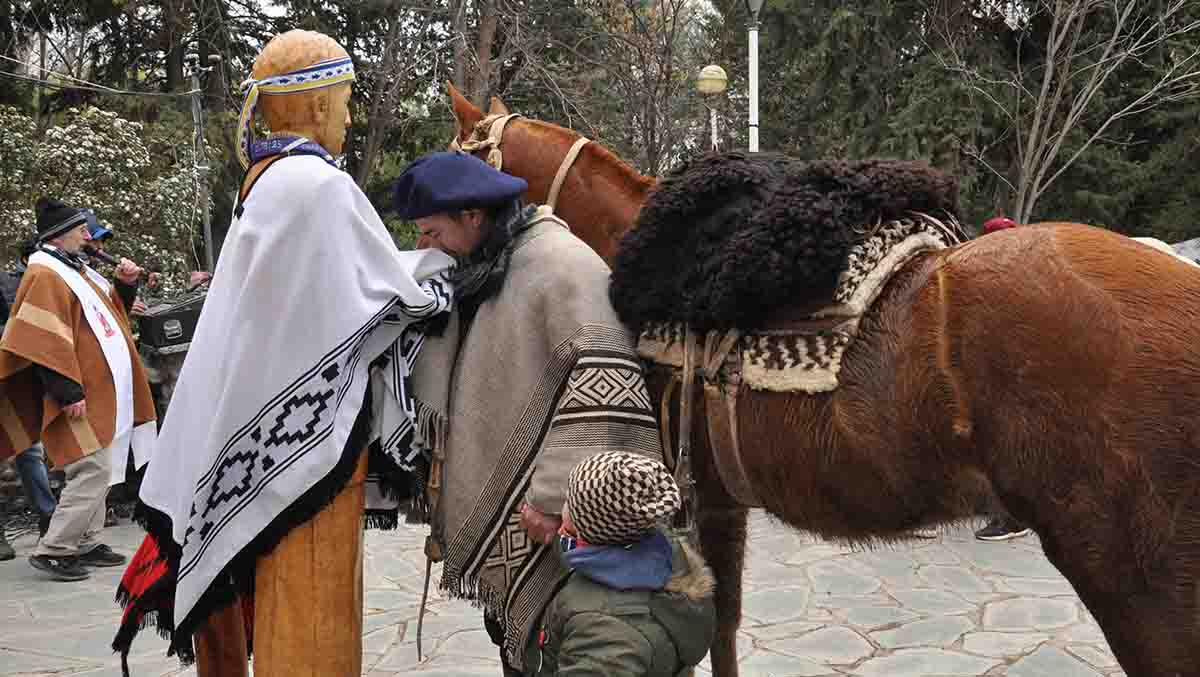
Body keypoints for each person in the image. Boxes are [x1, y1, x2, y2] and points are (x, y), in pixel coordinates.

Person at [113, 29, 455, 677]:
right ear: (319, 104)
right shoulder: (317, 186)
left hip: (256, 435)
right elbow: (382, 299)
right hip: (302, 461)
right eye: (347, 101)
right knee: (310, 616)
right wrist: (447, 276)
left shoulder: (267, 180)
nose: (351, 117)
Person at [394, 151, 665, 675]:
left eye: (432, 232)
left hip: (561, 525)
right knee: (525, 650)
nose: (428, 246)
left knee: (565, 648)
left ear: (472, 216)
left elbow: (602, 391)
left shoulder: (561, 268)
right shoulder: (492, 264)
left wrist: (555, 502)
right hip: (533, 521)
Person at [0, 197, 157, 580]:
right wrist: (67, 392)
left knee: (104, 461)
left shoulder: (74, 270)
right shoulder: (45, 274)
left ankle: (85, 539)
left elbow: (111, 317)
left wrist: (125, 284)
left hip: (99, 389)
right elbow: (41, 342)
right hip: (73, 391)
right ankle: (55, 547)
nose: (88, 235)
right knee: (92, 467)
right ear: (59, 235)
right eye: (80, 230)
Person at [525, 451, 715, 677]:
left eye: (569, 500)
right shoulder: (660, 552)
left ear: (587, 530)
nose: (562, 504)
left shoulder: (606, 631)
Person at [973, 213, 1033, 542]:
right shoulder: (1016, 268)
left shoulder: (1009, 273)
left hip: (1011, 378)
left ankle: (1011, 519)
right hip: (998, 374)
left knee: (1003, 445)